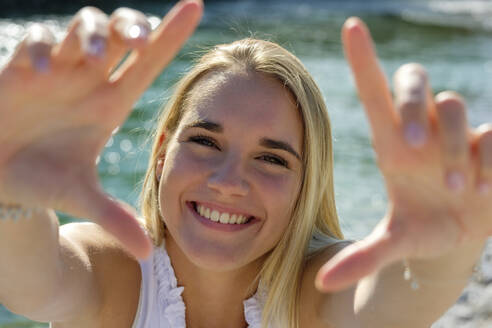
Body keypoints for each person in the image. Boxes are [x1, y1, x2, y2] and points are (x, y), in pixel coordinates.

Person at [0, 0, 490, 327]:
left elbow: (398, 301)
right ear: (161, 154)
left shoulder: (319, 291)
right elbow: (32, 283)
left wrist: (448, 249)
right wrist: (13, 189)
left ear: (306, 186)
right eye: (206, 142)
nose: (229, 181)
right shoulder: (113, 270)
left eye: (272, 158)